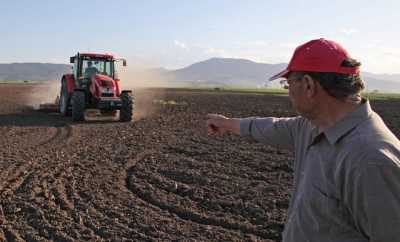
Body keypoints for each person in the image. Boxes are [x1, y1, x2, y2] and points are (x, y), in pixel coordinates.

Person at [206, 38, 400, 242]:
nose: (288, 91)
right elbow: (272, 127)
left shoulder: (370, 160)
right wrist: (227, 124)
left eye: (288, 83)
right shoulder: (313, 126)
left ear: (308, 85)